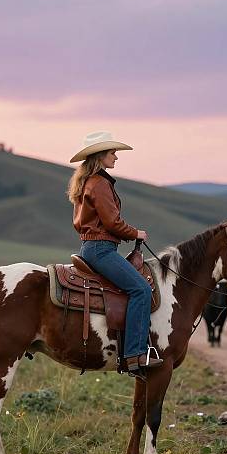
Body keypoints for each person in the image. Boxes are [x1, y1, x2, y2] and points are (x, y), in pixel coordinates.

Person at [67, 131, 163, 379]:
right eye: (112, 153)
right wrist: (136, 233)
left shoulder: (88, 181)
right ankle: (135, 355)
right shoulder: (99, 183)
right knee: (141, 289)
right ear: (100, 156)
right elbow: (111, 222)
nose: (116, 157)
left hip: (89, 247)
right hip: (101, 249)